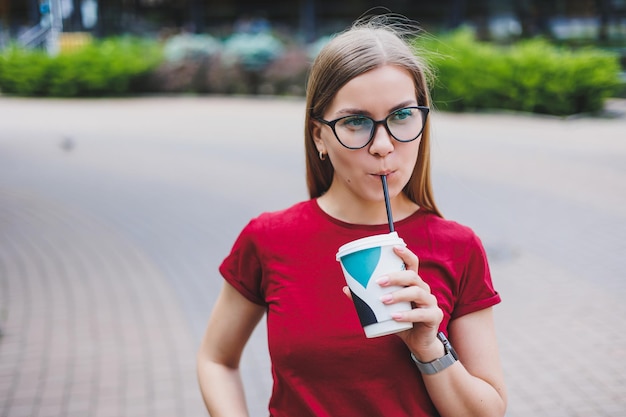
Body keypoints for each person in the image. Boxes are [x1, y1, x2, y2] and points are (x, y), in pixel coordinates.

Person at [197, 14, 507, 417]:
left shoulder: (458, 247)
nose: (382, 145)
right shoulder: (270, 237)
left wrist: (431, 348)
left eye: (401, 116)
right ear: (318, 135)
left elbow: (487, 412)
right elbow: (216, 359)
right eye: (356, 122)